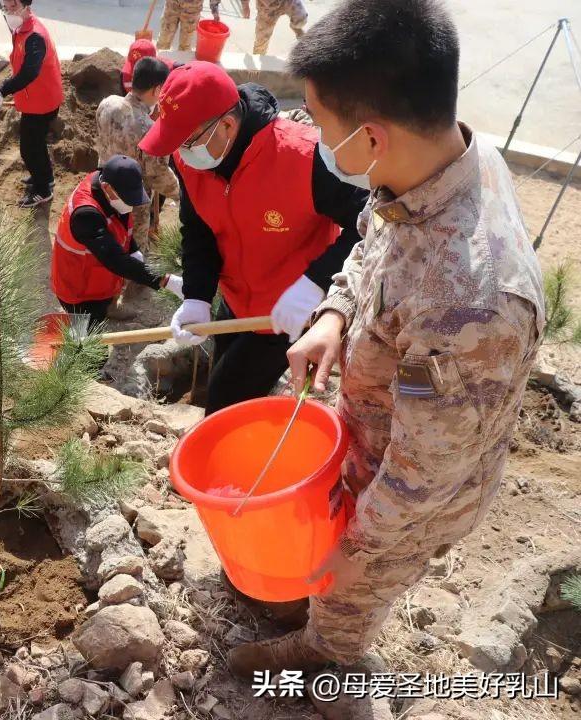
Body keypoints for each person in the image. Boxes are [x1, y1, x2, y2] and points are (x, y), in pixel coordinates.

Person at [225, 0, 545, 677]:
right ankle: (317, 609)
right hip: (380, 441)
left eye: (318, 121)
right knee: (330, 570)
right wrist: (336, 316)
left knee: (347, 598)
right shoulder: (443, 159)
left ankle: (324, 661)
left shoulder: (473, 302)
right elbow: (379, 241)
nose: (310, 135)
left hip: (410, 498)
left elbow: (421, 482)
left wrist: (353, 553)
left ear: (371, 138)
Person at [138, 62, 367, 415]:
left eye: (186, 142)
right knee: (222, 375)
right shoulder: (192, 160)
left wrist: (315, 285)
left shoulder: (306, 158)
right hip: (235, 301)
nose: (180, 154)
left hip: (288, 312)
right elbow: (197, 229)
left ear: (227, 125)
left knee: (225, 402)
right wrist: (197, 295)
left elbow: (366, 226)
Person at [51, 155, 183, 328]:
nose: (132, 205)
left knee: (103, 307)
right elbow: (115, 260)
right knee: (88, 343)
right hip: (80, 291)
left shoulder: (107, 186)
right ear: (107, 188)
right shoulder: (86, 215)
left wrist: (132, 249)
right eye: (128, 200)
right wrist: (165, 281)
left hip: (99, 280)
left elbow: (120, 226)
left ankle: (109, 307)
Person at [0, 0, 64, 208]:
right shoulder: (22, 27)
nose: (8, 12)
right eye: (6, 8)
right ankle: (43, 177)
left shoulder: (35, 37)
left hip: (42, 102)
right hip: (36, 99)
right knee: (35, 144)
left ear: (26, 7)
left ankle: (43, 189)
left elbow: (29, 72)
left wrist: (2, 91)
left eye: (13, 8)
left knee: (29, 148)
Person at [97, 56, 180, 251]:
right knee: (134, 246)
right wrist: (179, 194)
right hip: (133, 198)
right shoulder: (150, 129)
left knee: (110, 235)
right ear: (157, 90)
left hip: (103, 183)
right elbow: (157, 174)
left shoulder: (107, 104)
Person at [242, 0, 308, 55]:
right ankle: (259, 55)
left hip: (287, 1)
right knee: (262, 39)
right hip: (267, 7)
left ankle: (296, 27)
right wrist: (245, 6)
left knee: (301, 18)